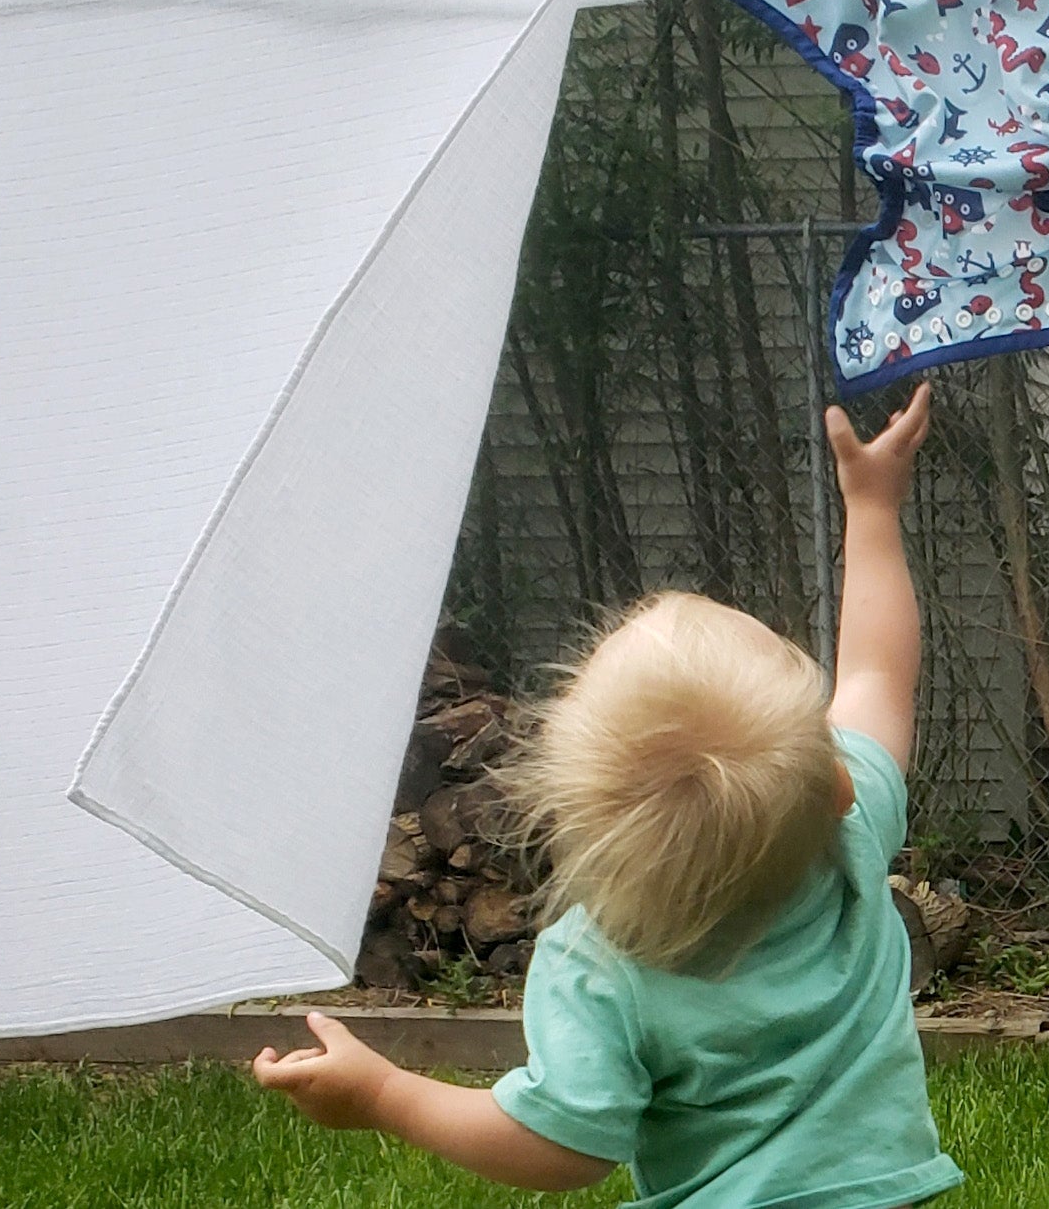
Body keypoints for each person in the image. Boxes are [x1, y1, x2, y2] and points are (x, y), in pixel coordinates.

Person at [253, 386, 958, 1207]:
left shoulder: (601, 963)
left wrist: (385, 1096)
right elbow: (875, 672)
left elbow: (561, 1146)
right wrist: (872, 509)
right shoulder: (847, 836)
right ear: (837, 780)